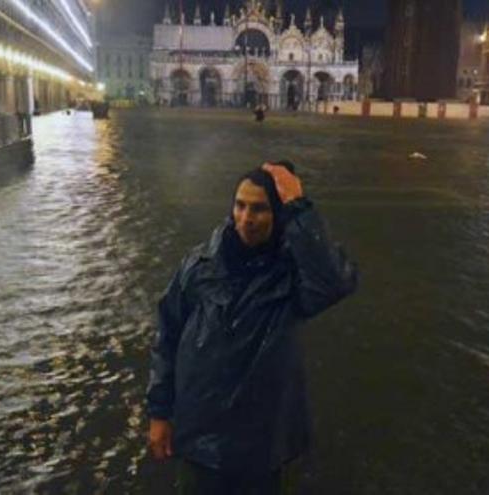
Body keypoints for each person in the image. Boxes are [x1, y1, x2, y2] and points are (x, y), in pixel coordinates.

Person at [147, 161, 358, 494]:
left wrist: (300, 209)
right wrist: (160, 413)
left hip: (263, 446)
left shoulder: (292, 275)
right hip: (199, 437)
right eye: (240, 205)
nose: (246, 218)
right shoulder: (199, 265)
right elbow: (168, 337)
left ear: (279, 214)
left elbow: (333, 283)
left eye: (259, 209)